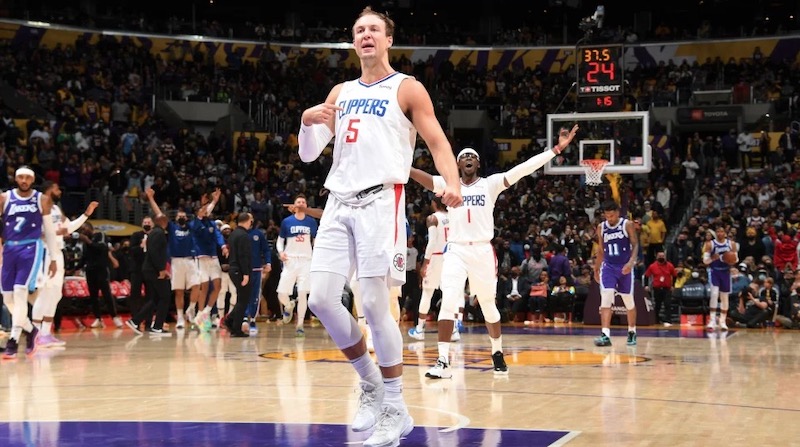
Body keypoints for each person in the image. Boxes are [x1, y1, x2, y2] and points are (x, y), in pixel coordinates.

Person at [297, 7, 462, 446]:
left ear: (388, 39)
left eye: (373, 29)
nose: (365, 35)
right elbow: (309, 154)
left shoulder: (406, 87)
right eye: (359, 30)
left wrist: (450, 182)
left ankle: (395, 405)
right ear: (354, 42)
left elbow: (437, 141)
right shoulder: (341, 91)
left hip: (380, 201)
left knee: (373, 303)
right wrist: (306, 122)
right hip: (338, 201)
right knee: (321, 300)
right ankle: (371, 383)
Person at [408, 123, 579, 379]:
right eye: (463, 156)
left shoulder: (490, 184)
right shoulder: (447, 184)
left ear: (477, 164)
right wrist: (402, 165)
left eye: (472, 156)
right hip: (455, 250)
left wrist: (555, 150)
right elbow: (422, 177)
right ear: (457, 164)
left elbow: (524, 168)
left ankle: (497, 351)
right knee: (449, 300)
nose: (468, 158)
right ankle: (442, 360)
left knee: (488, 304)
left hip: (482, 252)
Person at [31, 181, 98, 347]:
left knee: (55, 294)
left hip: (58, 252)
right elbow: (33, 232)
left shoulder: (56, 209)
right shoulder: (37, 207)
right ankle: (35, 334)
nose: (59, 190)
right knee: (44, 293)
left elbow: (68, 228)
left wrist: (86, 214)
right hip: (45, 251)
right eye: (56, 188)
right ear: (48, 190)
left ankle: (45, 333)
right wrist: (54, 232)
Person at [1, 166, 59, 358]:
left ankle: (13, 340)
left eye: (27, 177)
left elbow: (49, 230)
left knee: (20, 293)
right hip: (9, 249)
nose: (24, 180)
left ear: (32, 180)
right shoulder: (5, 198)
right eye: (21, 177)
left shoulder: (41, 199)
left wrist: (53, 257)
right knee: (7, 298)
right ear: (16, 179)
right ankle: (31, 330)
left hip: (31, 248)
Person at [144, 187, 201, 329]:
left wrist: (206, 203)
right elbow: (159, 214)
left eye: (183, 216)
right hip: (176, 261)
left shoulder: (191, 227)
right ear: (175, 219)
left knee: (197, 286)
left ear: (186, 218)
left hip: (190, 260)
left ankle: (191, 309)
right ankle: (180, 318)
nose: (181, 217)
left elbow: (200, 215)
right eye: (179, 216)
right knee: (178, 291)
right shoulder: (172, 227)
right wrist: (151, 198)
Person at [593, 200, 640, 347]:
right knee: (606, 298)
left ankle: (631, 331)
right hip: (608, 267)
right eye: (607, 216)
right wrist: (596, 268)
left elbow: (635, 245)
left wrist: (631, 262)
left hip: (624, 266)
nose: (610, 219)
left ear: (618, 213)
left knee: (628, 301)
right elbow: (601, 250)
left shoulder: (627, 224)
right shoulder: (601, 227)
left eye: (612, 216)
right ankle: (605, 334)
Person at [408, 196, 450, 340]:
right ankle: (454, 330)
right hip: (450, 257)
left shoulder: (433, 218)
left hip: (436, 257)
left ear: (434, 203)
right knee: (450, 294)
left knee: (427, 293)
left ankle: (420, 329)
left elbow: (432, 243)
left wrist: (425, 263)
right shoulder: (452, 216)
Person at [276, 194, 317, 337]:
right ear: (294, 205)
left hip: (306, 260)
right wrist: (281, 252)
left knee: (303, 292)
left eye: (303, 202)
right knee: (281, 293)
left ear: (306, 205)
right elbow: (280, 240)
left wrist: (315, 255)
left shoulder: (311, 222)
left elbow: (316, 241)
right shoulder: (287, 221)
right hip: (290, 260)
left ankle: (300, 324)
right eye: (298, 201)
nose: (301, 203)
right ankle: (288, 305)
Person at [125, 214, 172, 335]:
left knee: (155, 298)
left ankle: (135, 321)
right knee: (165, 296)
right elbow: (155, 253)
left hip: (150, 269)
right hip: (153, 270)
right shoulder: (158, 233)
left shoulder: (154, 233)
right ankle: (157, 326)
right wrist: (161, 270)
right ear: (163, 221)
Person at [78, 222, 122, 329]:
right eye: (81, 230)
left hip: (101, 269)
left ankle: (114, 317)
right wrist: (74, 269)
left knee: (107, 294)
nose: (83, 231)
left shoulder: (100, 235)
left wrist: (88, 241)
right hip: (90, 270)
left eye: (84, 228)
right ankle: (98, 318)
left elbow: (101, 248)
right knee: (93, 296)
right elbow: (84, 258)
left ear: (89, 228)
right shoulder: (85, 243)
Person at [702, 225, 738, 331]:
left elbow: (736, 259)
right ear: (715, 233)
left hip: (726, 272)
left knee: (724, 297)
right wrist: (713, 258)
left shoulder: (731, 244)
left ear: (725, 233)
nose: (719, 233)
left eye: (721, 231)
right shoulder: (710, 244)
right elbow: (705, 261)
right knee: (714, 294)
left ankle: (722, 321)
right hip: (714, 271)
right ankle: (712, 320)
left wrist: (729, 260)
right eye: (717, 231)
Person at [224, 212, 254, 337]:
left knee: (242, 299)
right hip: (240, 271)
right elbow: (243, 256)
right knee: (243, 300)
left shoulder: (233, 234)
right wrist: (246, 274)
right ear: (247, 221)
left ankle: (231, 321)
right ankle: (235, 328)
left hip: (233, 269)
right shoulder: (243, 236)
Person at [244, 220, 272, 334]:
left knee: (255, 295)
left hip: (256, 269)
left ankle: (252, 319)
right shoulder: (239, 233)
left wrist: (268, 263)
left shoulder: (258, 234)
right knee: (242, 294)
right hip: (242, 269)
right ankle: (244, 317)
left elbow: (266, 250)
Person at [127, 215, 154, 331]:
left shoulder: (155, 236)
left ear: (152, 224)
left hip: (150, 270)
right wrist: (141, 246)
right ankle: (135, 321)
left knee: (151, 296)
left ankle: (148, 322)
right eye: (145, 222)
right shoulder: (136, 235)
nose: (147, 224)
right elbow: (131, 251)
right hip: (137, 270)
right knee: (135, 295)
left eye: (149, 222)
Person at [644, 251, 678, 325]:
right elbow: (646, 276)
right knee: (657, 305)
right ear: (657, 257)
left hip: (667, 288)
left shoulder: (670, 265)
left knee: (667, 304)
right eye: (660, 256)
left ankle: (668, 320)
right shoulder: (652, 266)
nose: (661, 257)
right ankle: (656, 320)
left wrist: (673, 285)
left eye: (663, 256)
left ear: (665, 257)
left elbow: (675, 275)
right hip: (657, 289)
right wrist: (646, 285)